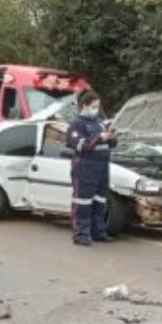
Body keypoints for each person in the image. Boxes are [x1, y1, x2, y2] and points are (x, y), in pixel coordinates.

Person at [66, 90, 116, 246]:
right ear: (85, 106)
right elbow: (83, 146)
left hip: (101, 168)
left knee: (100, 202)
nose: (96, 109)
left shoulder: (99, 122)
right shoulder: (76, 125)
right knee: (83, 203)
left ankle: (98, 232)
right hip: (85, 168)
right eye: (94, 106)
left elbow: (110, 145)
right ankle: (81, 234)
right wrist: (99, 138)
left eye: (98, 106)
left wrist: (112, 138)